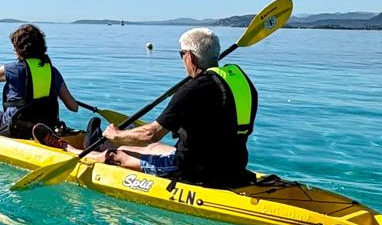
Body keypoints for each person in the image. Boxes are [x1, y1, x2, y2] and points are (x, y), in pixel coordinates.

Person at [86, 27, 257, 187]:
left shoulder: (191, 90)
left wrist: (116, 135)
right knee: (153, 148)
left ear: (190, 56)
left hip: (193, 171)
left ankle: (82, 152)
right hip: (235, 164)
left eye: (181, 54)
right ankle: (100, 145)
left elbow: (150, 134)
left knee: (120, 154)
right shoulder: (240, 83)